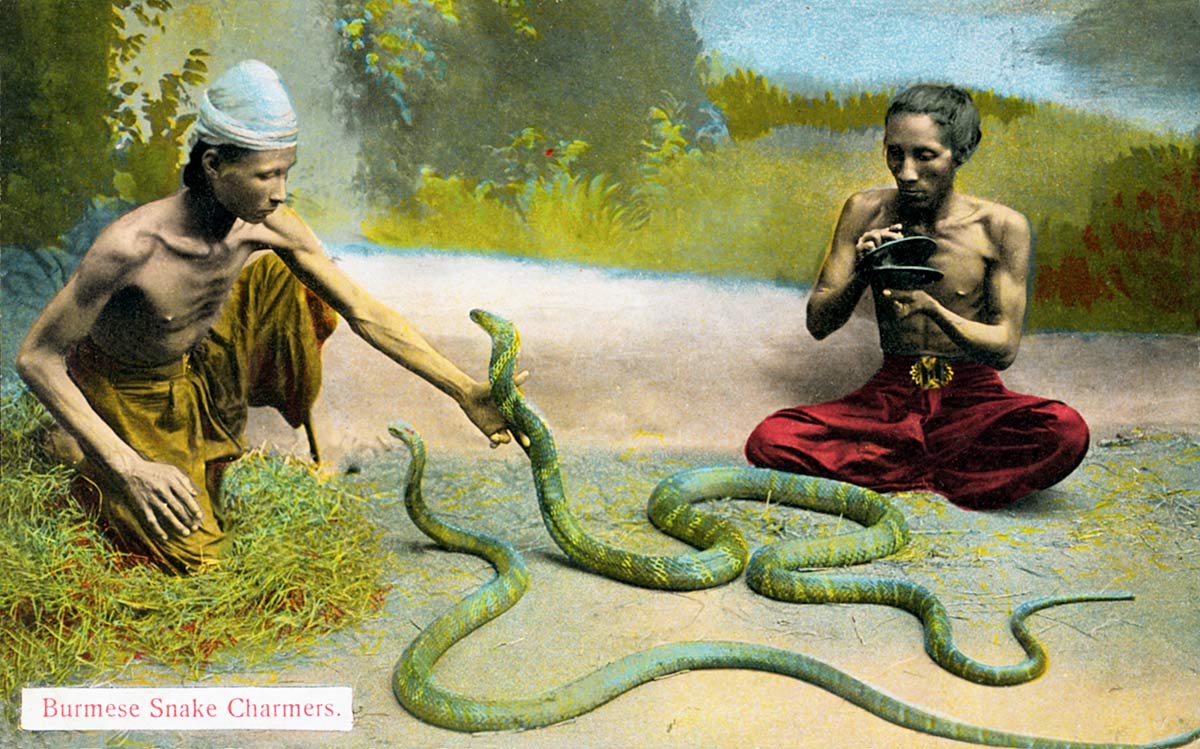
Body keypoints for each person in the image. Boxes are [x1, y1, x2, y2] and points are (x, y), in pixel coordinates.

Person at [17, 60, 525, 574]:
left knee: (292, 281)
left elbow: (364, 311)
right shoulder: (131, 247)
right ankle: (78, 445)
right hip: (126, 389)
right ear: (213, 164)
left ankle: (206, 437)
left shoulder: (267, 224)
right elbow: (35, 358)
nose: (280, 191)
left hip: (195, 361)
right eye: (266, 174)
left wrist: (464, 390)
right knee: (200, 562)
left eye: (286, 172)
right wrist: (127, 466)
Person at [743, 83, 1088, 510]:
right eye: (894, 153)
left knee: (1065, 431)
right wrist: (864, 271)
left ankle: (899, 473)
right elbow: (819, 324)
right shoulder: (864, 210)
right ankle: (941, 476)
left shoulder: (1000, 226)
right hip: (890, 395)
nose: (905, 172)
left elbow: (1003, 349)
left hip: (971, 397)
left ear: (961, 151)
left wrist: (934, 311)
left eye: (924, 156)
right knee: (771, 438)